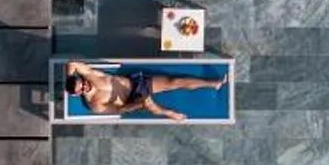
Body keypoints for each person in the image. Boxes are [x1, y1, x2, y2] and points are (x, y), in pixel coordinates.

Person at [60, 60, 219, 121]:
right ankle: (170, 113)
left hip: (137, 81)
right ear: (78, 93)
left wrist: (69, 77)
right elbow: (119, 110)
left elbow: (72, 64)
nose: (86, 86)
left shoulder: (90, 75)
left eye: (82, 82)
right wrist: (139, 104)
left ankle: (212, 84)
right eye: (82, 88)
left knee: (174, 82)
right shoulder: (94, 104)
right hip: (134, 99)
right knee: (151, 106)